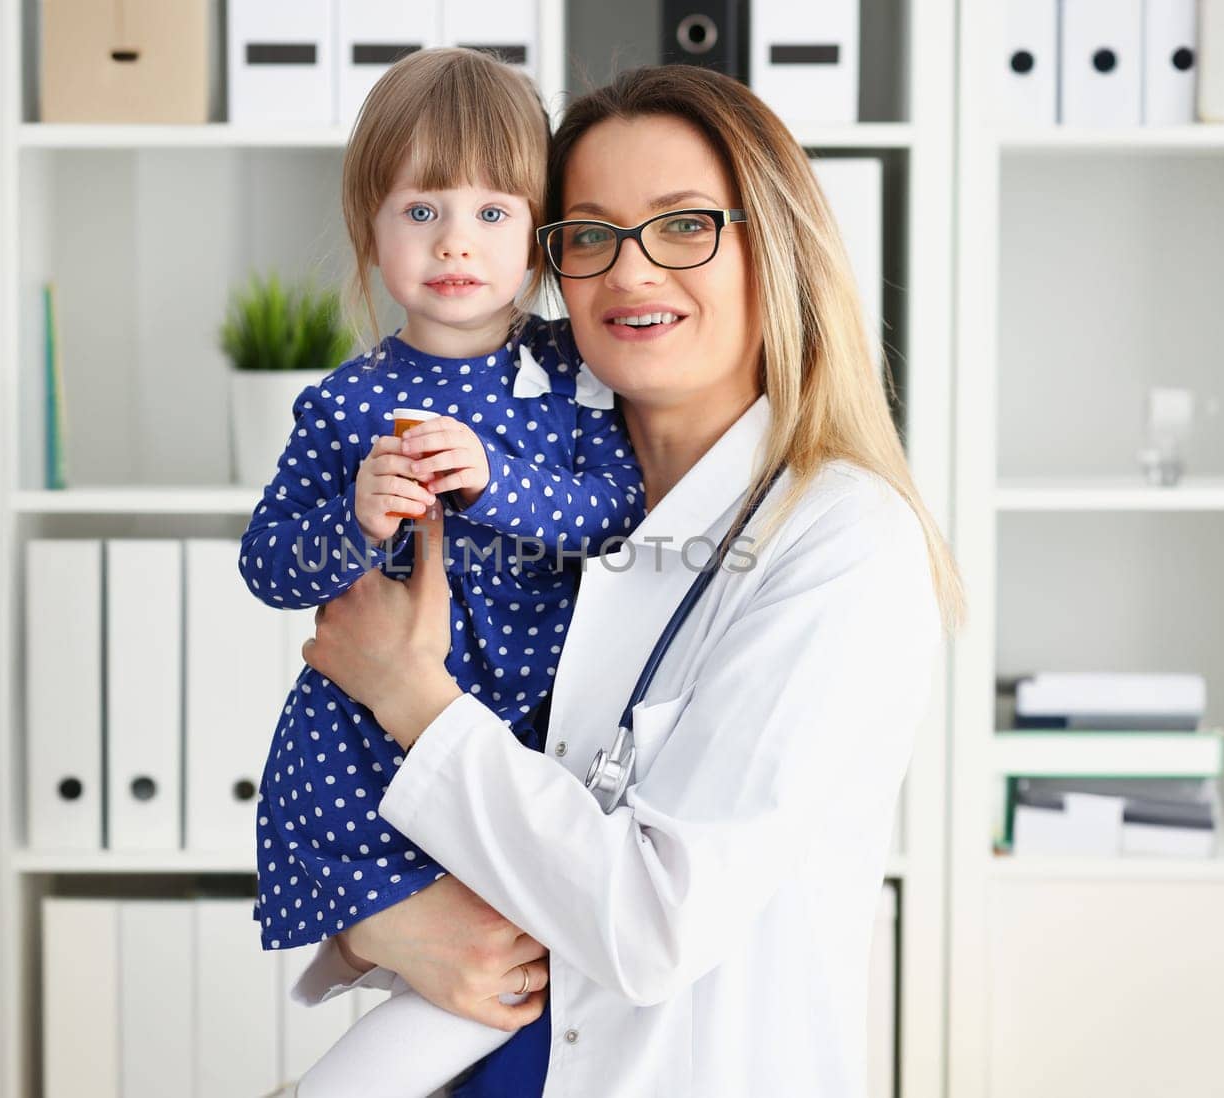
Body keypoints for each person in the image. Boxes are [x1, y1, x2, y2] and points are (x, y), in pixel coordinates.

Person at [294, 64, 965, 1097]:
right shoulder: (508, 514)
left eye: (684, 225)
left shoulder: (840, 542)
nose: (631, 272)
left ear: (774, 249)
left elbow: (653, 922)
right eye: (589, 234)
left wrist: (407, 695)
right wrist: (374, 927)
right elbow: (427, 817)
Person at [237, 48, 644, 1098]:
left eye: (493, 213)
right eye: (420, 211)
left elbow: (619, 513)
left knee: (512, 977)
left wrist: (497, 481)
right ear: (370, 229)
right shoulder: (345, 402)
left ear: (541, 237)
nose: (455, 240)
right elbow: (269, 565)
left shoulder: (577, 374)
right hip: (363, 751)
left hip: (525, 741)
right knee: (468, 971)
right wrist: (356, 517)